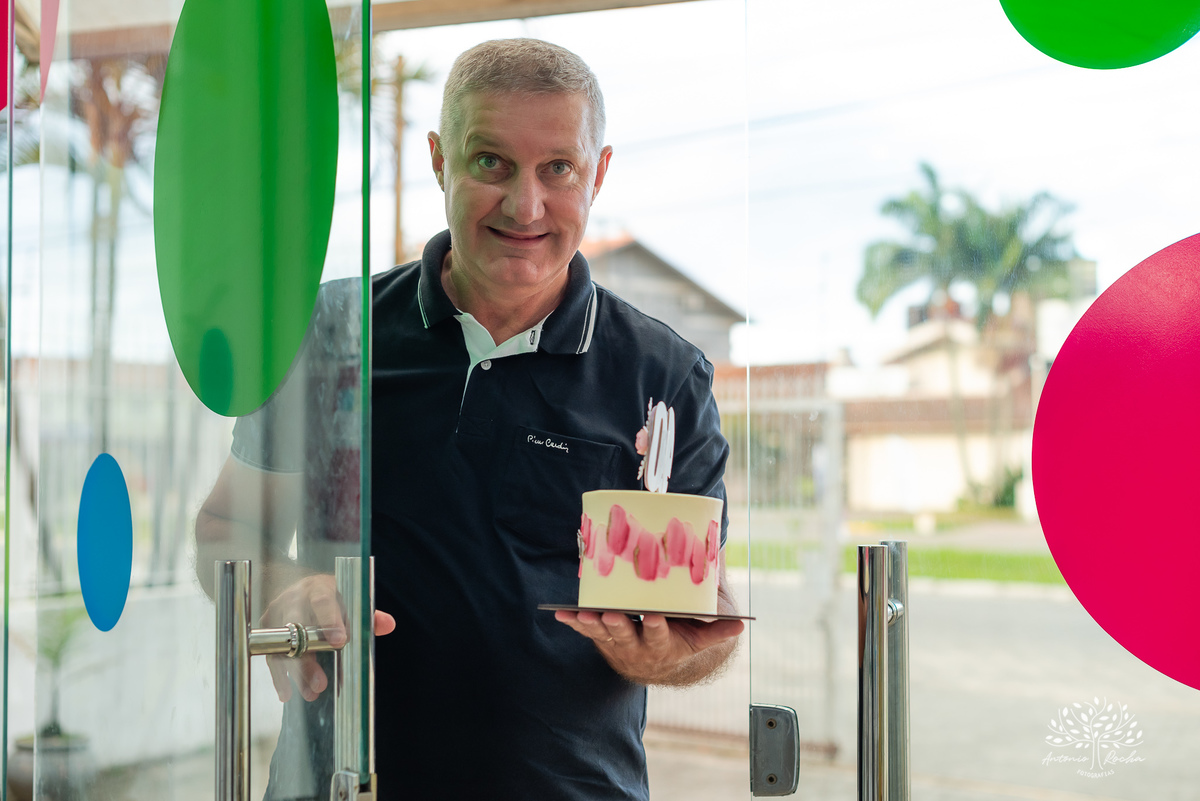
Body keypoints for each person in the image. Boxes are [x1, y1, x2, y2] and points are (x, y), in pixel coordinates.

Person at [196, 38, 743, 800]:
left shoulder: (664, 375)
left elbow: (701, 613)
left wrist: (666, 653)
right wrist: (282, 590)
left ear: (600, 172)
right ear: (438, 160)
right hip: (340, 785)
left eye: (558, 168)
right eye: (491, 162)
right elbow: (226, 526)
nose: (526, 205)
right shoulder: (329, 330)